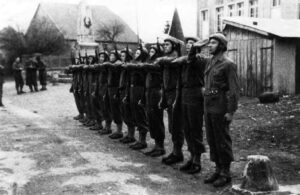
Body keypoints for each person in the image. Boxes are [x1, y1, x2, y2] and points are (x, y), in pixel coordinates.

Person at [202, 33, 239, 187]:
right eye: (209, 43)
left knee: (222, 139)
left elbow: (234, 90)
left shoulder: (228, 64)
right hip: (209, 106)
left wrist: (230, 111)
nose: (209, 45)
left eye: (213, 43)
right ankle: (217, 169)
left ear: (221, 46)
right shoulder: (210, 62)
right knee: (212, 139)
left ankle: (225, 173)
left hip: (220, 106)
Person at [156, 36, 184, 165]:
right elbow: (163, 81)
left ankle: (178, 152)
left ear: (174, 45)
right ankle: (175, 151)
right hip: (168, 94)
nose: (165, 46)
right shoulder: (166, 61)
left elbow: (173, 61)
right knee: (172, 126)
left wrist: (161, 59)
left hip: (176, 94)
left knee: (177, 125)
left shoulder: (176, 58)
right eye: (164, 44)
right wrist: (163, 98)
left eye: (167, 44)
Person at [142, 43, 166, 157]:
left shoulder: (159, 64)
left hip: (156, 92)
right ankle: (156, 145)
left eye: (153, 52)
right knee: (151, 119)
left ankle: (160, 146)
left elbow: (151, 68)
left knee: (156, 119)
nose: (151, 53)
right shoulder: (150, 63)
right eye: (150, 51)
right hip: (149, 92)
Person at [126, 45, 149, 150]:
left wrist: (143, 96)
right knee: (135, 114)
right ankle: (139, 139)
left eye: (139, 54)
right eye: (135, 53)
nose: (136, 55)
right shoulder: (134, 65)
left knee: (140, 115)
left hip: (139, 90)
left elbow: (145, 83)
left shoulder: (143, 67)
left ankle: (143, 141)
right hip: (133, 90)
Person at [114, 47, 136, 142]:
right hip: (122, 90)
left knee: (129, 114)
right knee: (124, 114)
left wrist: (126, 94)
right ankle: (128, 134)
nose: (121, 57)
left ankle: (131, 135)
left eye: (123, 56)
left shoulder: (129, 67)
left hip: (127, 91)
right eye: (121, 56)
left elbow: (128, 81)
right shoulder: (123, 66)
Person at [100, 49, 123, 135]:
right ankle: (108, 127)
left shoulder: (118, 64)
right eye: (110, 56)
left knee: (116, 110)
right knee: (108, 108)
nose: (111, 57)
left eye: (113, 56)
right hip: (109, 88)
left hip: (115, 88)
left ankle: (119, 130)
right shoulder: (110, 65)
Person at [92, 51, 112, 133]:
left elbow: (108, 81)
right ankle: (99, 123)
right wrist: (95, 90)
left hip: (104, 89)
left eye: (103, 57)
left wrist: (105, 92)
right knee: (97, 106)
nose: (101, 58)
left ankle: (108, 127)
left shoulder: (108, 67)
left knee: (106, 108)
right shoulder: (99, 67)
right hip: (99, 88)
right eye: (100, 57)